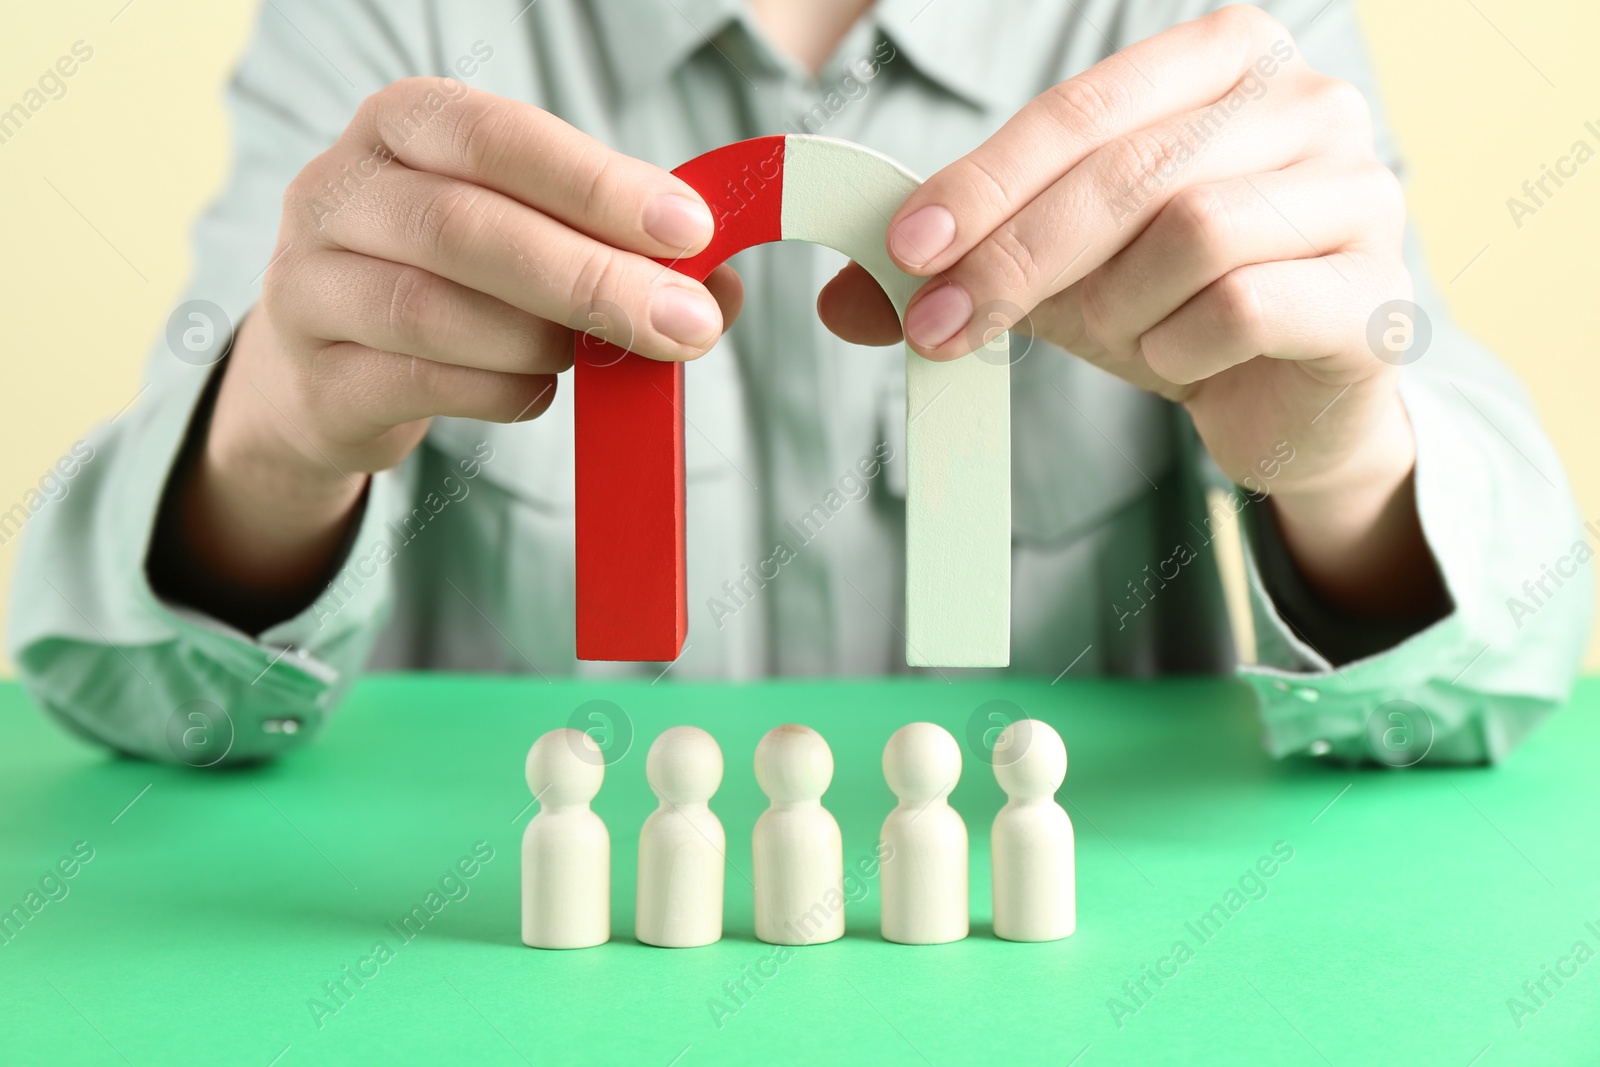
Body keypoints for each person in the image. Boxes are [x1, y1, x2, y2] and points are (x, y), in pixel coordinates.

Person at [7, 0, 1590, 765]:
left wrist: (1342, 462)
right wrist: (275, 441)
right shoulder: (394, 22)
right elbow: (122, 682)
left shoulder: (1213, 23)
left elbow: (1504, 667)